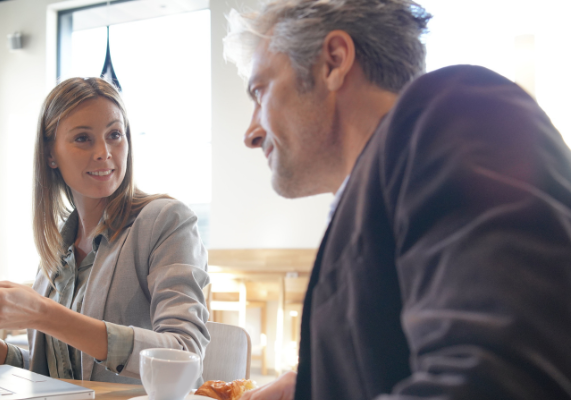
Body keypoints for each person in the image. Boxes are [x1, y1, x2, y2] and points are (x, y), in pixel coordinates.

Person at [223, 0, 571, 399]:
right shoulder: (371, 201)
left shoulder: (459, 112)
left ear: (333, 62)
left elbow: (496, 381)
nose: (251, 133)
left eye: (259, 91)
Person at [0, 77, 210, 384]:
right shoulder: (56, 252)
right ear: (50, 155)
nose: (104, 152)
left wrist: (44, 314)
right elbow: (61, 371)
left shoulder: (165, 221)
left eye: (115, 135)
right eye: (83, 138)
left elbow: (187, 354)